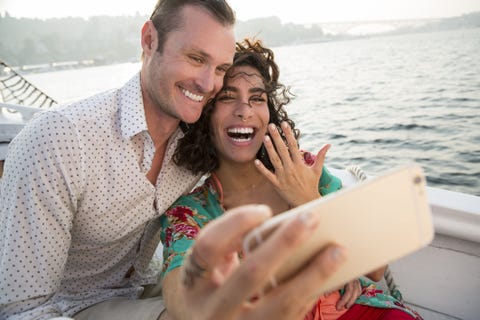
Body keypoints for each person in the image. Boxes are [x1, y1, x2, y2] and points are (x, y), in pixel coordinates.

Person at [0, 1, 347, 320]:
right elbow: (20, 309)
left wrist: (313, 204)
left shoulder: (196, 145)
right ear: (149, 40)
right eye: (196, 58)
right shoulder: (62, 140)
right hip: (72, 305)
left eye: (220, 68)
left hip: (144, 287)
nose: (208, 82)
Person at [159, 39, 424, 320]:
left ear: (269, 114)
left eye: (257, 98)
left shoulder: (305, 170)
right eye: (227, 97)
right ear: (206, 115)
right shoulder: (190, 212)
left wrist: (308, 201)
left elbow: (375, 268)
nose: (244, 110)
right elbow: (183, 287)